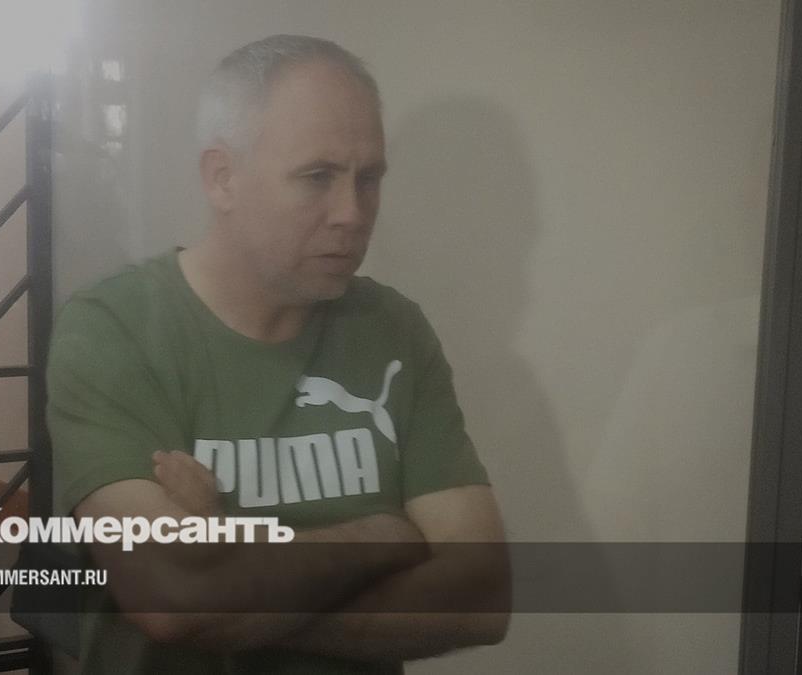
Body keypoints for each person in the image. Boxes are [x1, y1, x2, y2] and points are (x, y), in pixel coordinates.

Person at [45, 34, 511, 673]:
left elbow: (480, 598)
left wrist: (225, 553)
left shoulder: (392, 330)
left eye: (368, 179)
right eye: (317, 177)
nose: (352, 214)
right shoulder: (114, 328)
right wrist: (382, 536)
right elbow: (171, 601)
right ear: (223, 178)